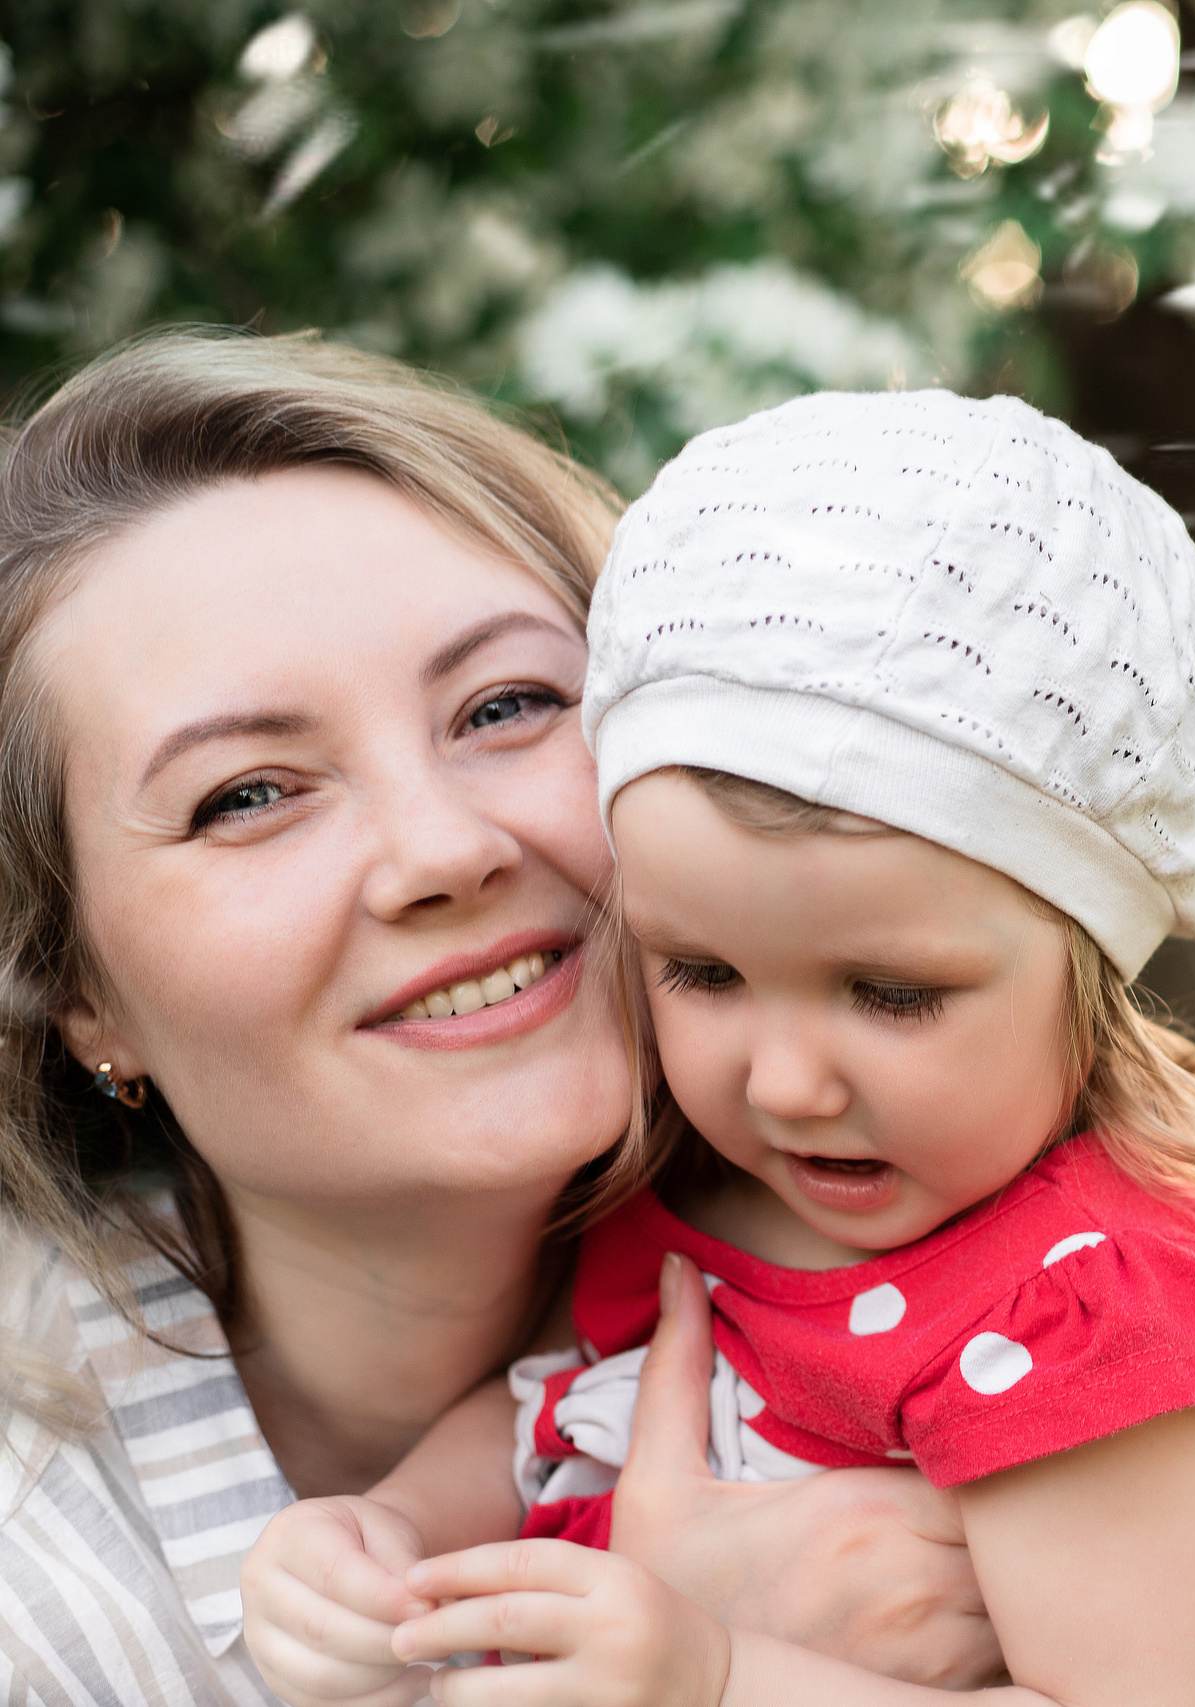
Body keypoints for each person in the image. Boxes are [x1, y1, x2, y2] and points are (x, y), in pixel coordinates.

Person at [0, 331, 999, 1706]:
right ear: (83, 996)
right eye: (248, 795)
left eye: (508, 705)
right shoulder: (36, 1593)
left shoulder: (974, 1289)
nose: (445, 850)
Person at [258, 389, 1195, 1706]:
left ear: (1088, 975)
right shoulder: (685, 1185)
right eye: (703, 974)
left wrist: (718, 1676)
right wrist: (386, 1532)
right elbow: (557, 1409)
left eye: (891, 993)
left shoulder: (1072, 1310)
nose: (785, 1085)